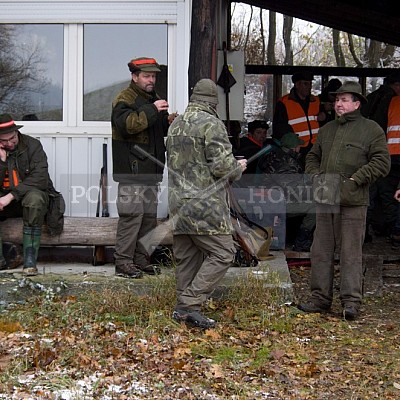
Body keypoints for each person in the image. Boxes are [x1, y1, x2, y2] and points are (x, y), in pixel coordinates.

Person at [298, 81, 390, 320]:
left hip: (353, 201)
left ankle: (350, 303)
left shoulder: (371, 130)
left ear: (357, 103)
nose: (339, 104)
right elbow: (312, 156)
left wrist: (356, 179)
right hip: (326, 199)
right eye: (337, 100)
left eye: (345, 100)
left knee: (350, 253)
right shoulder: (327, 130)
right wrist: (315, 176)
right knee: (320, 251)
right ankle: (319, 299)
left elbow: (382, 162)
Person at [166, 78, 247, 329]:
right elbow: (223, 167)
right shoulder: (212, 124)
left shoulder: (176, 124)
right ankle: (191, 303)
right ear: (214, 102)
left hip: (178, 203)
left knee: (188, 256)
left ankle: (183, 309)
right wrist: (238, 167)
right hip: (205, 205)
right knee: (224, 252)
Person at [111, 56, 177, 279]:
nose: (151, 80)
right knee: (131, 216)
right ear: (134, 76)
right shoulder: (125, 99)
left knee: (149, 218)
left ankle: (141, 260)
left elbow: (153, 132)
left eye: (154, 76)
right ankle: (123, 262)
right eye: (147, 76)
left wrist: (168, 120)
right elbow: (128, 125)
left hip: (151, 171)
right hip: (132, 172)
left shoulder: (151, 98)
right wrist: (152, 110)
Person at [0, 114, 56, 275]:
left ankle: (30, 261)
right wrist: (2, 163)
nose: (10, 143)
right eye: (4, 141)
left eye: (12, 138)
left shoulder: (32, 145)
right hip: (4, 204)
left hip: (26, 200)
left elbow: (40, 179)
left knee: (35, 198)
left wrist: (10, 196)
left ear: (17, 133)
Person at [256, 132, 316, 252]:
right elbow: (295, 190)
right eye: (299, 146)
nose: (300, 149)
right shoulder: (286, 163)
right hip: (277, 204)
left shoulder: (274, 156)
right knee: (317, 205)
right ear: (293, 147)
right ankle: (302, 242)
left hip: (271, 202)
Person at [361, 72, 400, 241]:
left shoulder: (372, 97)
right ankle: (395, 230)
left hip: (376, 153)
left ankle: (365, 231)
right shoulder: (391, 100)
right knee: (388, 194)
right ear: (395, 85)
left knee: (373, 193)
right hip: (389, 153)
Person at [272, 71, 322, 168]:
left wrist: (324, 116)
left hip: (315, 147)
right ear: (297, 85)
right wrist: (292, 142)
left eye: (310, 84)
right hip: (297, 149)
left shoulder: (315, 101)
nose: (309, 87)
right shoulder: (284, 103)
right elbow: (280, 127)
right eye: (305, 84)